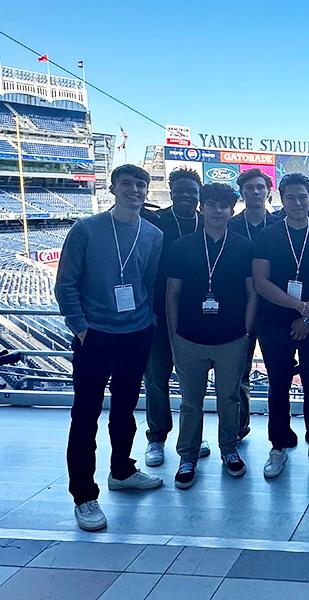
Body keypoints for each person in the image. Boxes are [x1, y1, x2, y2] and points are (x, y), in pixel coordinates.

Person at [55, 164, 164, 531]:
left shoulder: (152, 234)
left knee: (124, 410)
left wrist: (146, 321)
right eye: (128, 184)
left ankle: (121, 470)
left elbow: (146, 281)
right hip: (95, 336)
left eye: (141, 185)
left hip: (135, 333)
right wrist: (80, 328)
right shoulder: (85, 229)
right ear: (113, 187)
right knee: (85, 415)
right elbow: (66, 283)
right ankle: (84, 495)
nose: (135, 190)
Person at [167, 183, 256, 489]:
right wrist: (174, 336)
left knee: (229, 398)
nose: (218, 211)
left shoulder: (244, 246)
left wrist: (246, 332)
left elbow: (251, 293)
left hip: (231, 338)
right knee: (190, 402)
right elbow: (172, 295)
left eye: (224, 206)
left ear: (232, 211)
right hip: (189, 338)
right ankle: (187, 455)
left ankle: (229, 449)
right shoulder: (182, 246)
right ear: (201, 207)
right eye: (212, 205)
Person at [253, 173, 309, 477]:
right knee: (278, 384)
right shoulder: (269, 234)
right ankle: (278, 446)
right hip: (275, 323)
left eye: (303, 197)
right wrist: (299, 307)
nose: (297, 203)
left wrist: (307, 316)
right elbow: (261, 282)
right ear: (280, 198)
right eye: (290, 197)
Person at [143, 168, 206, 468]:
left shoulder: (208, 222)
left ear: (198, 193)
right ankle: (156, 436)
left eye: (191, 191)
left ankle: (192, 434)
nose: (185, 195)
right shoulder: (156, 221)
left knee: (191, 382)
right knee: (156, 379)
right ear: (170, 190)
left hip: (197, 317)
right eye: (179, 190)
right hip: (157, 316)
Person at [229, 168, 282, 440]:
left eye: (260, 187)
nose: (256, 192)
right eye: (250, 188)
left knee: (278, 373)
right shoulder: (231, 226)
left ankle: (279, 429)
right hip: (240, 309)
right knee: (240, 373)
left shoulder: (280, 224)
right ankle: (240, 427)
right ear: (242, 192)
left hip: (274, 309)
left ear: (268, 191)